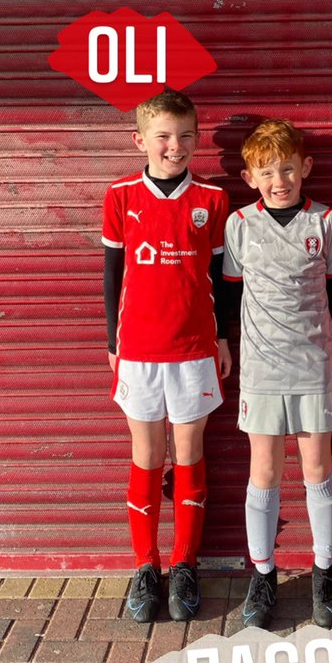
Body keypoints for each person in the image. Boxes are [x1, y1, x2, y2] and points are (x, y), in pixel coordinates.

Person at [102, 89, 230, 624]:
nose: (174, 146)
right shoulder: (120, 195)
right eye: (163, 136)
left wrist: (224, 339)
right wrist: (113, 341)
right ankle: (146, 565)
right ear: (140, 140)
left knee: (190, 451)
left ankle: (184, 564)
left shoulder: (213, 201)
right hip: (138, 351)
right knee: (147, 456)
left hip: (195, 348)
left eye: (184, 136)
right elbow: (112, 274)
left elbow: (225, 281)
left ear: (197, 139)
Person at [223, 119, 332, 629]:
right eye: (268, 171)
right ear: (250, 176)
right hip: (260, 368)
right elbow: (232, 291)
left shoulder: (326, 222)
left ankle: (324, 571)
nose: (281, 180)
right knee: (265, 471)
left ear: (306, 169)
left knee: (318, 467)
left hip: (313, 365)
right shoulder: (239, 224)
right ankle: (263, 574)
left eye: (289, 169)